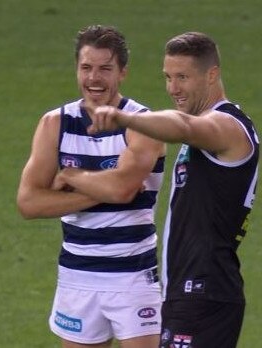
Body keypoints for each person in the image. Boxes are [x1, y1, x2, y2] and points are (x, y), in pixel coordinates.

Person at [87, 32, 259, 348]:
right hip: (187, 292)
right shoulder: (209, 126)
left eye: (182, 77)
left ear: (212, 75)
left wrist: (126, 118)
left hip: (204, 292)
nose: (173, 88)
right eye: (168, 77)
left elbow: (183, 126)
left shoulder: (226, 126)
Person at [17, 25, 166, 348]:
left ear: (123, 72)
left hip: (134, 276)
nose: (94, 79)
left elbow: (123, 190)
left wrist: (70, 178)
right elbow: (28, 203)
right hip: (77, 276)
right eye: (86, 68)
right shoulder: (54, 123)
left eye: (105, 69)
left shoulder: (142, 123)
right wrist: (101, 190)